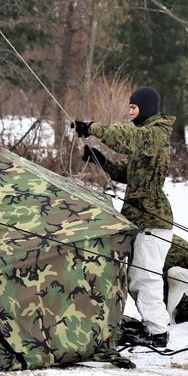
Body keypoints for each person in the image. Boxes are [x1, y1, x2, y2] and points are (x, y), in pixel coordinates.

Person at [75, 85, 175, 347]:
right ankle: (152, 327)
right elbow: (126, 173)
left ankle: (157, 332)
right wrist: (101, 161)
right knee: (136, 278)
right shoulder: (146, 137)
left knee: (146, 277)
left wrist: (93, 128)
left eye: (134, 107)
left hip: (154, 220)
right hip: (140, 219)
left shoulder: (154, 134)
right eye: (129, 107)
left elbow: (124, 139)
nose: (130, 112)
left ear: (146, 108)